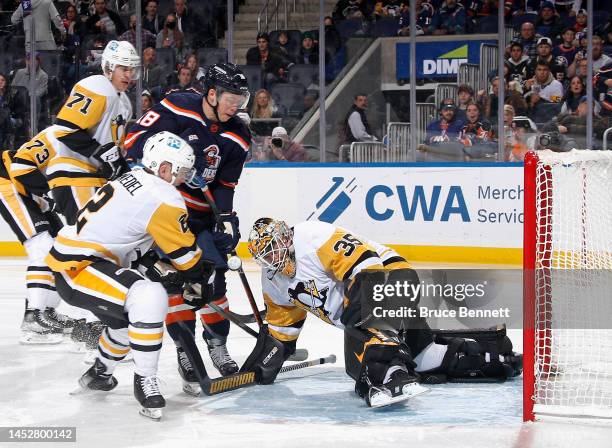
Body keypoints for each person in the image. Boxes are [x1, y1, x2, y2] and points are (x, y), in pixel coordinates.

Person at [245, 218, 522, 407]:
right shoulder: (273, 281)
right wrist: (263, 364)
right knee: (421, 358)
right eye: (264, 257)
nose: (271, 260)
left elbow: (368, 266)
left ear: (285, 237)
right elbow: (283, 331)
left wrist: (358, 315)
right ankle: (487, 355)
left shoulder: (311, 235)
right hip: (365, 310)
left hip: (392, 277)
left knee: (367, 347)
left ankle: (391, 376)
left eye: (273, 250)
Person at [45, 131, 215, 420]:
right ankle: (144, 381)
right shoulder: (164, 194)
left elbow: (126, 238)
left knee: (129, 321)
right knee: (149, 297)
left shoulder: (130, 179)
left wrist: (160, 268)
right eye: (181, 171)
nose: (184, 177)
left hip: (76, 264)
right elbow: (186, 256)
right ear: (164, 168)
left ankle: (100, 373)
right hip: (81, 267)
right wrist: (200, 279)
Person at [124, 63, 251, 386]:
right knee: (175, 285)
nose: (235, 105)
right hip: (166, 214)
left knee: (214, 281)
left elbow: (225, 185)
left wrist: (226, 218)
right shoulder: (178, 106)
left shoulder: (239, 134)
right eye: (230, 97)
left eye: (240, 98)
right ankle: (185, 350)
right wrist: (168, 159)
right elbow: (134, 139)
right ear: (211, 93)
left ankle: (217, 345)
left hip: (202, 216)